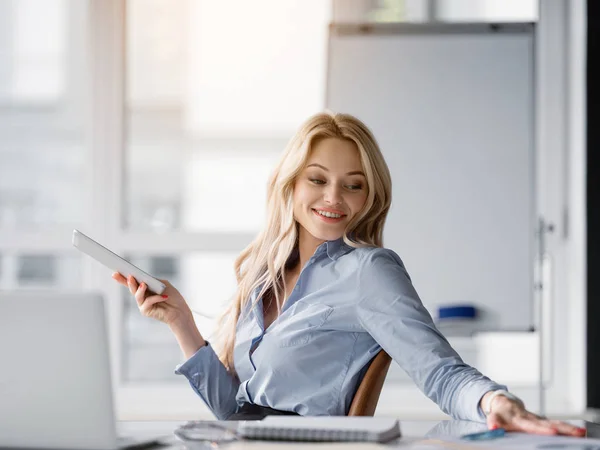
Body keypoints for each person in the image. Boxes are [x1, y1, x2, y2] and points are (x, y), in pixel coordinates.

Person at [113, 111, 584, 436]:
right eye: (318, 179)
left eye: (353, 185)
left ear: (369, 197)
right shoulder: (262, 273)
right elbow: (232, 410)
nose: (334, 198)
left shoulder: (369, 272)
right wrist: (180, 322)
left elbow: (440, 372)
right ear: (291, 183)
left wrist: (497, 404)